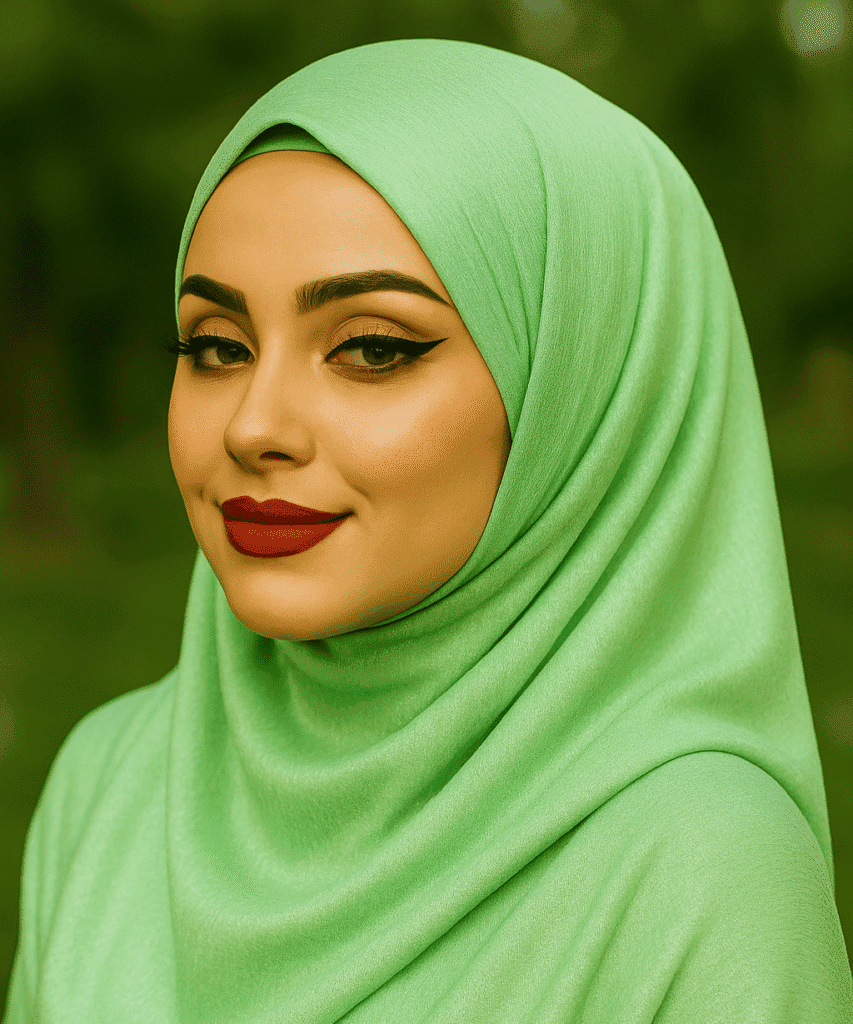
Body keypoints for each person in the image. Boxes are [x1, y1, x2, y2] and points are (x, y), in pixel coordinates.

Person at [4, 37, 852, 1024]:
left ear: (574, 391)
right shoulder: (113, 776)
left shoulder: (695, 864)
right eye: (217, 347)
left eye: (371, 348)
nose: (254, 426)